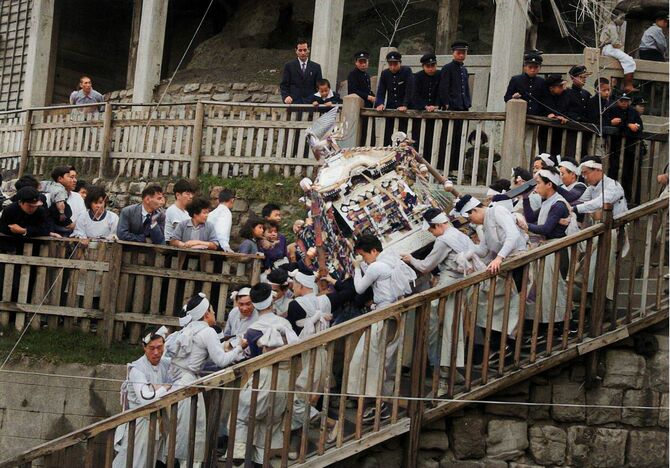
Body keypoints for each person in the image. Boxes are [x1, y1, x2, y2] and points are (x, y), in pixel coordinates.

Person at [401, 208, 479, 392]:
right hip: (460, 283)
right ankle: (450, 370)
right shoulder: (459, 235)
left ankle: (443, 375)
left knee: (440, 329)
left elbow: (426, 266)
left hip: (447, 285)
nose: (430, 233)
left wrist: (410, 258)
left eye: (430, 229)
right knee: (452, 328)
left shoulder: (444, 240)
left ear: (436, 226)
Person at [165, 293, 247, 467]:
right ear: (206, 313)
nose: (214, 313)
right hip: (188, 384)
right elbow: (222, 361)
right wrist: (240, 347)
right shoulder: (207, 331)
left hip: (178, 381)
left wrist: (225, 347)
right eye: (212, 310)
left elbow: (200, 356)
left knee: (185, 429)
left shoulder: (188, 329)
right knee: (192, 430)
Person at [348, 235, 417, 422]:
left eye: (364, 256)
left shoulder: (377, 266)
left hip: (385, 314)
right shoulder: (389, 260)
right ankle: (381, 403)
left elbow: (360, 289)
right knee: (385, 359)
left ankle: (378, 404)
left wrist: (356, 269)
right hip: (392, 311)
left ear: (373, 251)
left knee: (369, 358)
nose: (364, 260)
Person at [231, 284, 298, 464]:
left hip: (264, 377)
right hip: (284, 380)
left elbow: (253, 358)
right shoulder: (285, 324)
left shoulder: (253, 331)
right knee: (270, 423)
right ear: (271, 299)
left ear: (254, 303)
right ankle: (260, 460)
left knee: (241, 415)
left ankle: (238, 456)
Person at [112, 326, 171, 468]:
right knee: (133, 462)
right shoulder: (136, 369)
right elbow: (146, 399)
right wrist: (165, 387)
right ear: (144, 347)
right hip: (139, 424)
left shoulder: (166, 363)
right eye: (152, 348)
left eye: (159, 347)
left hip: (158, 423)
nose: (156, 352)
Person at [573, 156, 628, 300]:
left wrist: (576, 208)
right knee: (591, 268)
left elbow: (599, 203)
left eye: (587, 173)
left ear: (597, 170)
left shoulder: (613, 186)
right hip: (599, 231)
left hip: (614, 231)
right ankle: (591, 300)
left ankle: (605, 304)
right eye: (583, 174)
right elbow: (580, 201)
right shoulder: (591, 189)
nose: (585, 177)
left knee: (605, 269)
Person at [521, 168, 571, 325]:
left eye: (538, 183)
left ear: (549, 184)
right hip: (546, 249)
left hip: (556, 249)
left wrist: (524, 225)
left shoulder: (559, 204)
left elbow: (546, 229)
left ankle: (559, 325)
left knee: (554, 289)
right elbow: (530, 217)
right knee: (542, 289)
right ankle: (544, 324)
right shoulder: (547, 202)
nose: (536, 187)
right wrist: (525, 198)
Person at [607, 94, 643, 197]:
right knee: (614, 169)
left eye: (626, 101)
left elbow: (639, 126)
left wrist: (634, 126)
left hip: (630, 148)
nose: (624, 103)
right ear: (617, 101)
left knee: (628, 173)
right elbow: (612, 124)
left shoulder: (633, 112)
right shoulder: (612, 109)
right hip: (615, 146)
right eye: (622, 100)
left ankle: (627, 196)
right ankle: (612, 195)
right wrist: (628, 125)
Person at [600, 12, 637, 93]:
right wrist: (620, 45)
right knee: (629, 60)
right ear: (614, 18)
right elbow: (615, 43)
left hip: (606, 49)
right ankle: (628, 85)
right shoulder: (612, 27)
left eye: (623, 19)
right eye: (621, 18)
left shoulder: (608, 26)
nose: (622, 21)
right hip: (609, 48)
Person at [280, 39, 323, 104]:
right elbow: (284, 85)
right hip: (293, 103)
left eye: (305, 50)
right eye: (300, 50)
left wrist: (317, 100)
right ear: (296, 51)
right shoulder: (289, 66)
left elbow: (319, 87)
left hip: (311, 104)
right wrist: (286, 97)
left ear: (309, 50)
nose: (303, 53)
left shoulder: (316, 67)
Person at [438, 41, 472, 111]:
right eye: (458, 53)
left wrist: (467, 102)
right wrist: (446, 103)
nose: (461, 55)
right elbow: (443, 87)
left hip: (463, 105)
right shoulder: (447, 68)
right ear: (453, 53)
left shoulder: (464, 69)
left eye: (464, 53)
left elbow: (466, 88)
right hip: (451, 105)